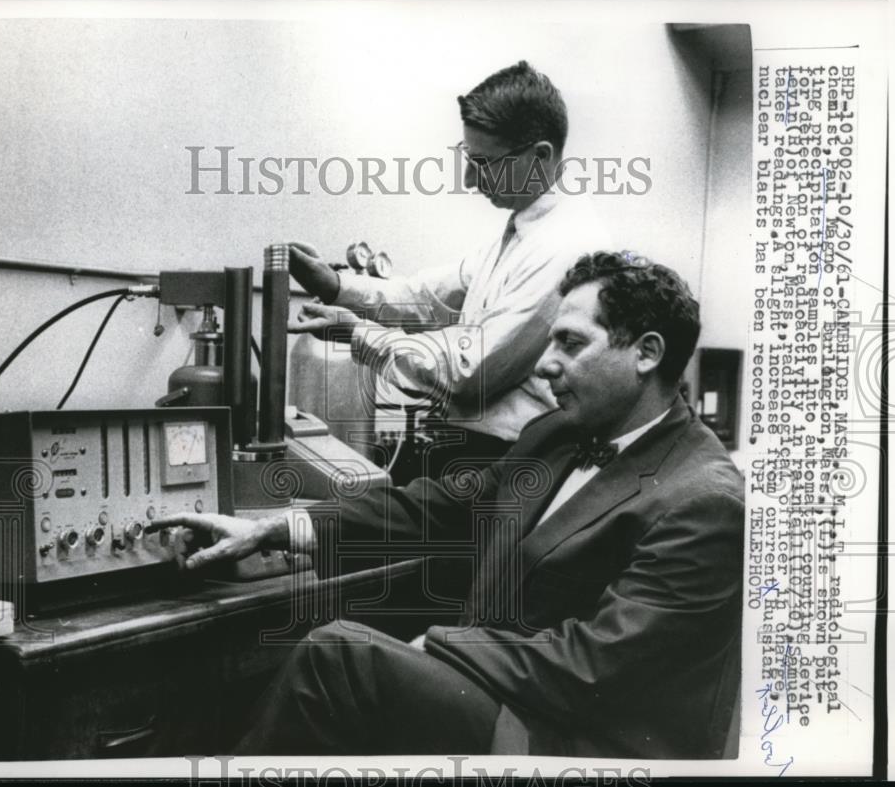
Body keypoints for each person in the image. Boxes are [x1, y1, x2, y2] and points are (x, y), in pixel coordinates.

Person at [149, 251, 744, 758]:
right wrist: (275, 528)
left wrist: (435, 645)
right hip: (508, 698)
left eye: (570, 343)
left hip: (575, 742)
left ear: (646, 353)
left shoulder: (704, 500)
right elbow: (439, 510)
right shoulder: (558, 434)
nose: (544, 364)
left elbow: (594, 667)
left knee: (340, 657)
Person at [287, 60, 610, 480]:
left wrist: (355, 333)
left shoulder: (564, 247)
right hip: (479, 453)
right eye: (467, 157)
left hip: (512, 463)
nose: (470, 179)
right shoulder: (522, 232)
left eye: (484, 163)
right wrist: (334, 286)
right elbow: (428, 296)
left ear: (540, 156)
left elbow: (469, 373)